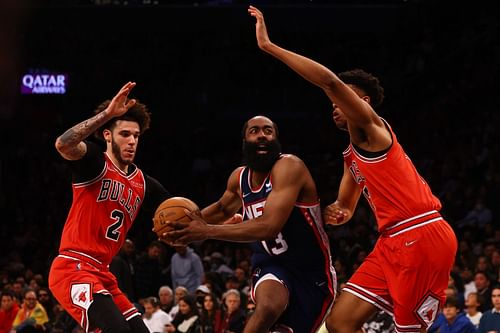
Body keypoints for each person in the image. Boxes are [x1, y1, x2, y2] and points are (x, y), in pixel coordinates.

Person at [246, 6, 457, 333]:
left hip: (420, 233)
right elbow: (345, 205)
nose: (335, 106)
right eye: (333, 104)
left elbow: (329, 82)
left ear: (365, 103)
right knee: (341, 321)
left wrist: (269, 46)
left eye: (344, 100)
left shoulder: (372, 129)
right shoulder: (352, 154)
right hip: (389, 242)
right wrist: (339, 212)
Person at [164, 115, 336, 332]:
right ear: (244, 142)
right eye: (254, 131)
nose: (262, 135)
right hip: (270, 263)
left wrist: (206, 231)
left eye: (268, 131)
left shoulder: (289, 166)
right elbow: (222, 209)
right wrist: (180, 226)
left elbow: (269, 226)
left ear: (276, 139)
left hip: (310, 271)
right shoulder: (239, 177)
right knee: (267, 308)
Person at [48, 82, 172, 333]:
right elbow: (63, 144)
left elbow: (185, 213)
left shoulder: (143, 184)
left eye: (136, 136)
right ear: (107, 135)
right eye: (125, 134)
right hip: (73, 267)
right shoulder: (95, 163)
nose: (132, 141)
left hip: (103, 274)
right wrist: (107, 115)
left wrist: (221, 222)